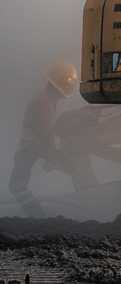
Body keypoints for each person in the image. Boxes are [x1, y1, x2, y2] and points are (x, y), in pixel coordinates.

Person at [6, 60, 79, 218]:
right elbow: (45, 133)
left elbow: (46, 133)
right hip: (32, 147)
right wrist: (52, 156)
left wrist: (52, 157)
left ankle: (40, 218)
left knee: (17, 185)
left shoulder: (46, 100)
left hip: (32, 147)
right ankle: (40, 218)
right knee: (17, 185)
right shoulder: (43, 102)